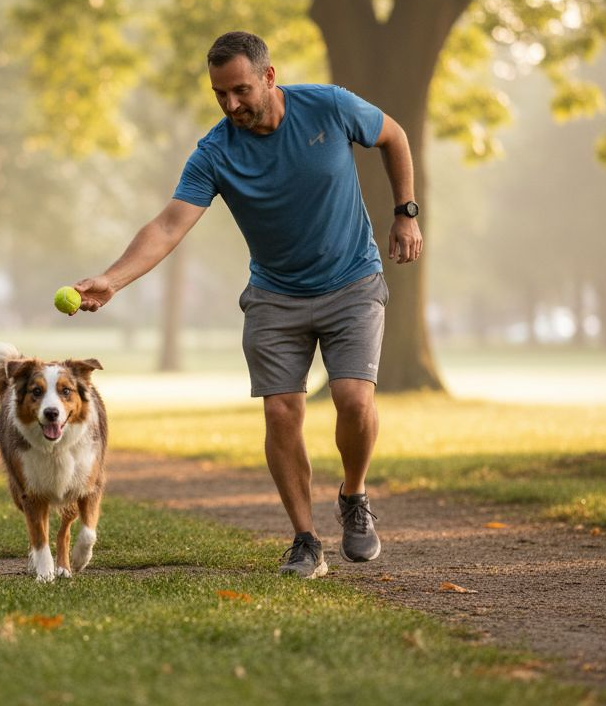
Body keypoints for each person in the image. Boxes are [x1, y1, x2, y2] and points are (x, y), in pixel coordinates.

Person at [69, 31, 421, 578]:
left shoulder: (329, 106)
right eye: (220, 95)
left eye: (240, 91)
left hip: (352, 281)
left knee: (353, 399)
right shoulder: (215, 152)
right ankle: (305, 540)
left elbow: (393, 136)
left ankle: (353, 494)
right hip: (275, 295)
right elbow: (168, 225)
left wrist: (406, 212)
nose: (231, 105)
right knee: (281, 411)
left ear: (269, 77)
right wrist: (113, 280)